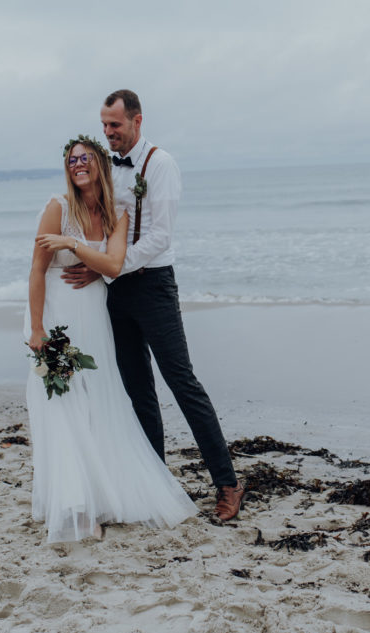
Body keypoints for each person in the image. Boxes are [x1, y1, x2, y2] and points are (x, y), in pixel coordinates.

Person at [63, 89, 245, 522]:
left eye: (116, 126)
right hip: (116, 291)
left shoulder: (160, 165)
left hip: (153, 287)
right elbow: (104, 225)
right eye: (104, 125)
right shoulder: (106, 167)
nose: (108, 134)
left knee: (182, 383)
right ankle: (155, 485)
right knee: (137, 393)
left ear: (137, 121)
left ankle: (228, 484)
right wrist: (99, 267)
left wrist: (110, 267)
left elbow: (160, 237)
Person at [24, 134, 197, 544]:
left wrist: (74, 244)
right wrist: (36, 330)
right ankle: (75, 508)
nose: (78, 164)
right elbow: (36, 270)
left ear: (100, 163)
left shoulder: (116, 214)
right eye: (71, 160)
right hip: (57, 317)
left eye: (85, 158)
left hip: (94, 319)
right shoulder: (57, 207)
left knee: (98, 404)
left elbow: (114, 263)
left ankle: (99, 495)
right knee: (64, 405)